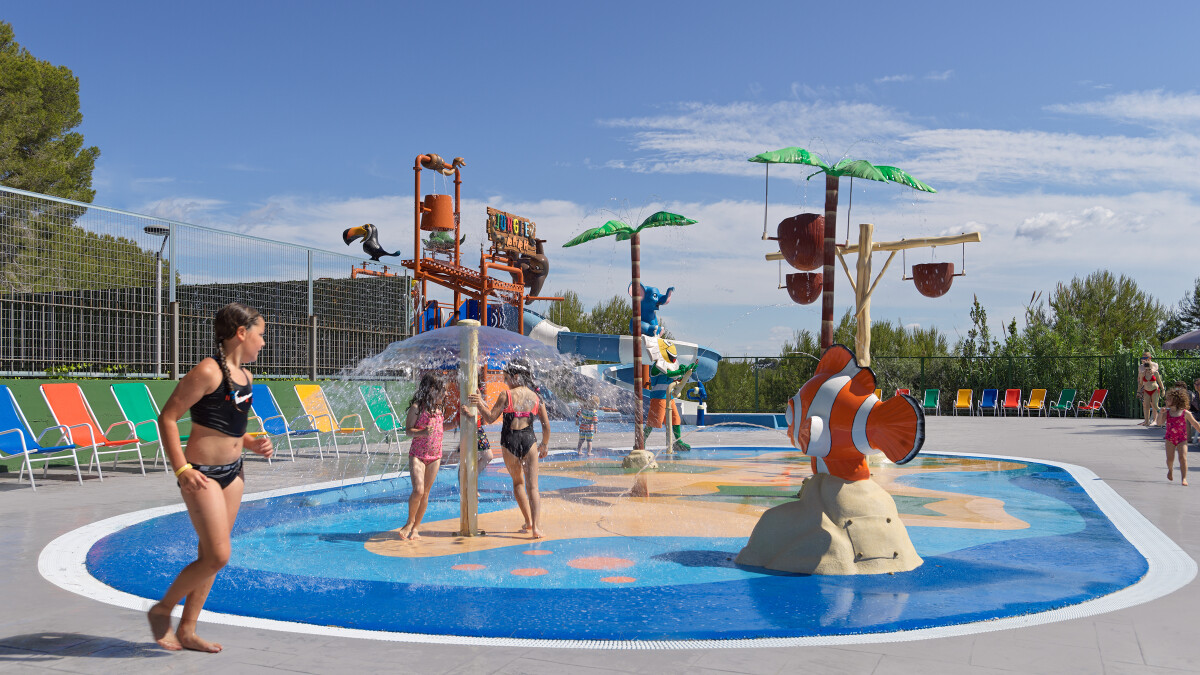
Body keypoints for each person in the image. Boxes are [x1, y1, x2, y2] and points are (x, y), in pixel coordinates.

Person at [148, 302, 274, 653]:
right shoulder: (207, 371)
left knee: (209, 555)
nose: (264, 342)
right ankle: (162, 609)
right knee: (218, 556)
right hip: (201, 475)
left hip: (234, 473)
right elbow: (167, 417)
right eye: (261, 335)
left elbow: (232, 428)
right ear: (241, 333)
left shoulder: (246, 377)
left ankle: (188, 630)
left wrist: (252, 443)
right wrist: (182, 469)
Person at [469, 360, 550, 538]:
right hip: (529, 441)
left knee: (518, 483)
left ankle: (528, 521)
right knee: (533, 488)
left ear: (516, 377)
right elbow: (546, 426)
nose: (505, 382)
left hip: (509, 441)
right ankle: (536, 528)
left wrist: (479, 402)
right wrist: (544, 445)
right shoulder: (536, 397)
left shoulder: (506, 395)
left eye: (506, 378)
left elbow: (490, 418)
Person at [400, 372, 459, 540]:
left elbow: (440, 427)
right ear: (432, 389)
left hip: (435, 456)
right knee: (418, 490)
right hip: (418, 455)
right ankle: (410, 522)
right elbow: (408, 431)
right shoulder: (417, 408)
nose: (446, 394)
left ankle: (416, 528)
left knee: (425, 493)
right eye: (443, 390)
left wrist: (455, 423)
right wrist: (423, 432)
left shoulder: (440, 409)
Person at [1156, 387, 1200, 486]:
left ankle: (1184, 478)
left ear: (1176, 400)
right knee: (1170, 459)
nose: (1166, 401)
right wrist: (1160, 414)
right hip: (1170, 439)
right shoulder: (1167, 413)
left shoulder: (1185, 413)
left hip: (1182, 439)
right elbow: (1159, 423)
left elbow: (1195, 423)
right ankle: (1170, 470)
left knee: (1183, 458)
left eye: (1168, 399)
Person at [1137, 351, 1162, 426]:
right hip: (1144, 386)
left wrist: (1147, 366)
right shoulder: (1141, 366)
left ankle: (1155, 420)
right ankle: (1146, 420)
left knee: (1154, 404)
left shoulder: (1154, 364)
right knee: (1145, 404)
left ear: (1149, 358)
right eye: (1143, 357)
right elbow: (1140, 375)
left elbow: (1152, 371)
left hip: (1152, 386)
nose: (1144, 359)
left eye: (1145, 357)